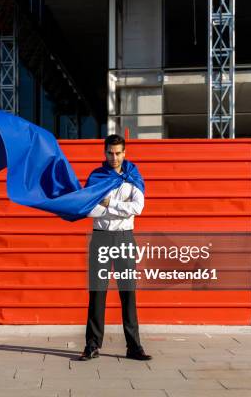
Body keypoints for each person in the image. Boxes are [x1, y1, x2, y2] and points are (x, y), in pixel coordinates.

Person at [78, 134, 152, 361]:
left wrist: (109, 203)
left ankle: (134, 346)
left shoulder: (133, 176)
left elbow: (137, 208)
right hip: (100, 238)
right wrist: (121, 208)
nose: (114, 157)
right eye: (110, 152)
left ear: (125, 153)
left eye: (118, 152)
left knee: (128, 292)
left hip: (124, 239)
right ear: (104, 152)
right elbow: (89, 209)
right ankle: (92, 345)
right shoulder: (96, 177)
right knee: (97, 293)